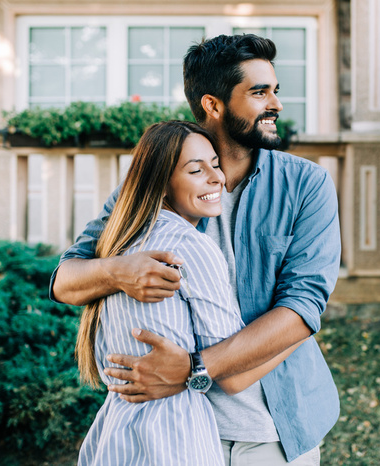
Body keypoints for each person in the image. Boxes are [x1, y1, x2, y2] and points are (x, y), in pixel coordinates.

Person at [52, 34, 341, 464]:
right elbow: (65, 282)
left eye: (274, 91)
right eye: (259, 92)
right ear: (213, 104)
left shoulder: (306, 185)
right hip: (171, 432)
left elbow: (303, 308)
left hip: (272, 432)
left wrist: (192, 369)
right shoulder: (154, 183)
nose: (275, 104)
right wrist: (119, 271)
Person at [76, 120, 304, 465]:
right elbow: (234, 373)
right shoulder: (189, 247)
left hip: (114, 433)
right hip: (175, 434)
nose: (217, 179)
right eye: (196, 171)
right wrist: (301, 329)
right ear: (162, 184)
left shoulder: (118, 243)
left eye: (216, 165)